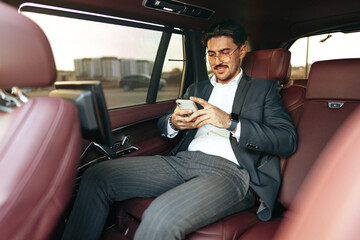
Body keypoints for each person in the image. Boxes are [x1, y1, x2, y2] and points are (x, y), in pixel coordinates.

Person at [62, 20, 297, 240]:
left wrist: (230, 122)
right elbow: (163, 126)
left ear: (242, 51)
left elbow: (287, 140)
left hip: (231, 172)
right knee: (98, 175)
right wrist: (174, 123)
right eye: (212, 54)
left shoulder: (263, 89)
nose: (218, 61)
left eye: (225, 52)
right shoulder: (198, 88)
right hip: (182, 161)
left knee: (160, 215)